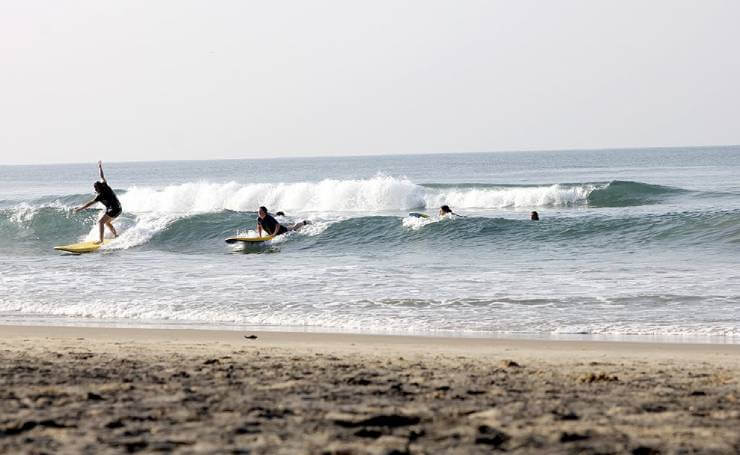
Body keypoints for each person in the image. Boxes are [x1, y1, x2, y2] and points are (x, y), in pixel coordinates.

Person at [74, 161, 122, 244]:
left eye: (95, 188)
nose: (95, 190)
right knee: (107, 222)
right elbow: (102, 176)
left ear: (97, 189)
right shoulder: (105, 185)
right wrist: (100, 167)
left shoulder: (100, 195)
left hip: (113, 209)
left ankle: (100, 240)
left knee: (101, 222)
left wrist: (79, 209)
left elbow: (89, 204)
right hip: (119, 208)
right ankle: (115, 235)